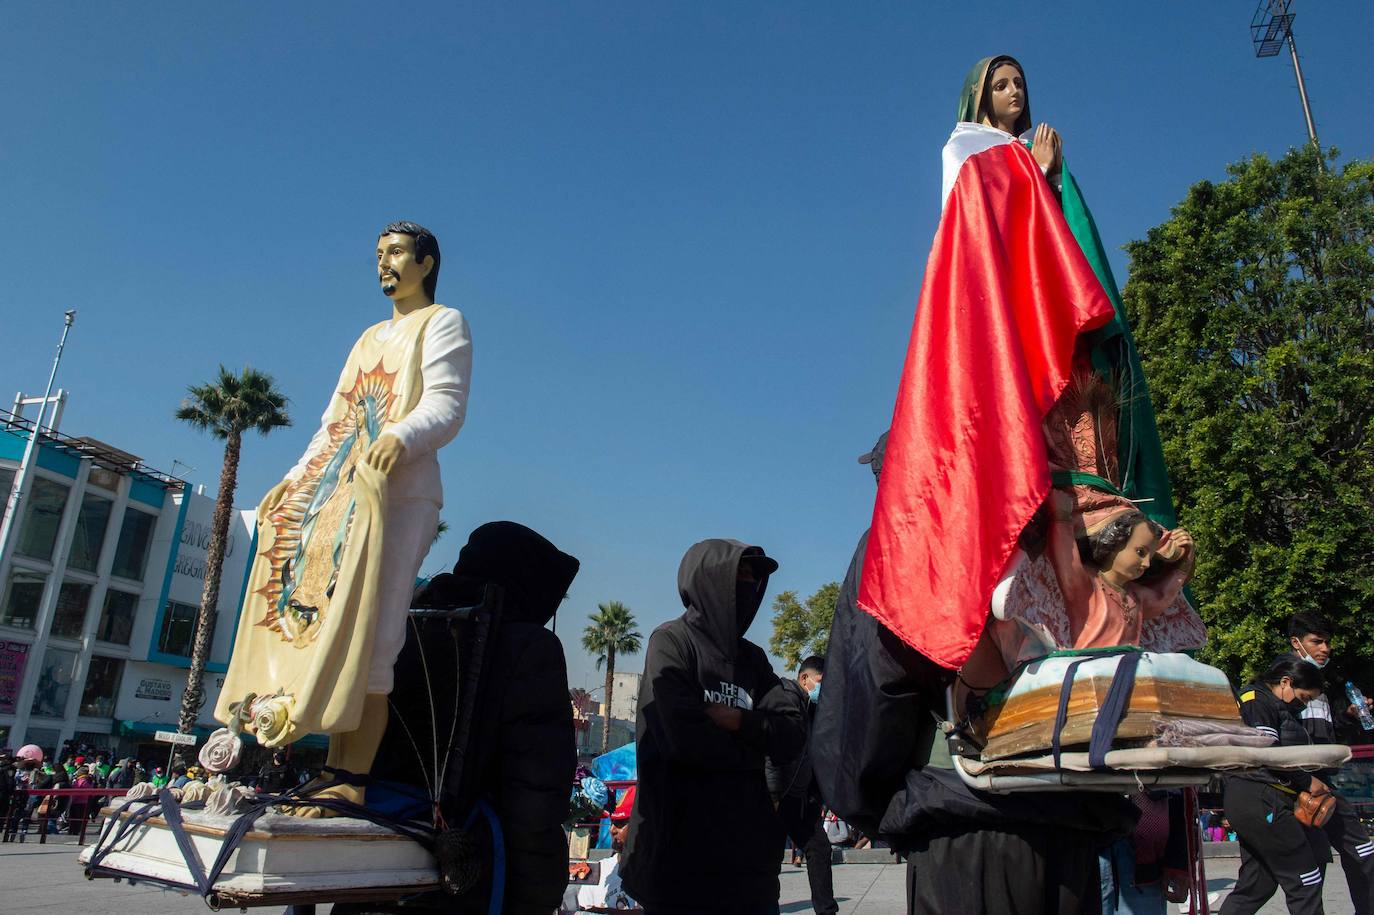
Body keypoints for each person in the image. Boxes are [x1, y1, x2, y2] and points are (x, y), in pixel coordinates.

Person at [812, 431, 1135, 915]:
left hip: (970, 815)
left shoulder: (906, 533)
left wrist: (877, 802)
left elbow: (874, 688)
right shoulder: (1055, 517)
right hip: (1071, 804)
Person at [215, 221, 473, 817]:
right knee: (334, 636)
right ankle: (334, 771)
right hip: (339, 496)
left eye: (397, 253)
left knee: (376, 637)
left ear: (427, 262)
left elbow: (447, 405)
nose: (384, 264)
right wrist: (295, 476)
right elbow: (334, 422)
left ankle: (351, 780)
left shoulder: (444, 323)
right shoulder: (367, 338)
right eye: (378, 255)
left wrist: (402, 437)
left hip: (400, 496)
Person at [370, 520, 579, 915]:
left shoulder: (407, 625)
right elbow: (536, 794)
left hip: (376, 855)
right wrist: (538, 895)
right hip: (472, 874)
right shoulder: (530, 648)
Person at [620, 539, 807, 915]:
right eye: (739, 575)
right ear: (708, 581)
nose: (748, 585)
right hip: (680, 861)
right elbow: (683, 742)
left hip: (749, 866)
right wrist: (756, 745)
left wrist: (738, 719)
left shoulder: (753, 658)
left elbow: (793, 734)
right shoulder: (672, 642)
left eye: (754, 577)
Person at [1220, 655, 1330, 914]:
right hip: (1259, 797)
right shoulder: (1256, 701)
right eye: (1303, 698)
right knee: (1306, 880)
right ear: (1285, 682)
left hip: (1253, 798)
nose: (1302, 706)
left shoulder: (1269, 702)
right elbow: (1267, 751)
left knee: (1257, 885)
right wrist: (1307, 780)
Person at [1285, 612, 1374, 912]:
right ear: (1296, 643)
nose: (1325, 648)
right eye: (1317, 642)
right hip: (1296, 786)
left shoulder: (1326, 682)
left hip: (1327, 784)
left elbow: (1326, 730)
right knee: (1308, 871)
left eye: (1327, 642)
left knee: (1362, 850)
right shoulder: (1283, 679)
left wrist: (1348, 716)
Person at [766, 656, 837, 915]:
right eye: (820, 682)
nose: (823, 689)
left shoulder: (812, 708)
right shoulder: (783, 698)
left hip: (802, 798)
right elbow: (772, 751)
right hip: (777, 797)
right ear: (804, 678)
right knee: (769, 858)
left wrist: (817, 798)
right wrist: (772, 795)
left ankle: (826, 910)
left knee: (820, 848)